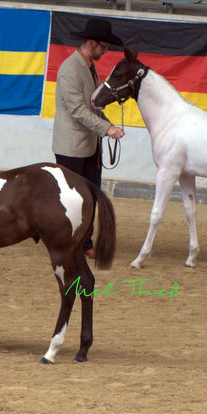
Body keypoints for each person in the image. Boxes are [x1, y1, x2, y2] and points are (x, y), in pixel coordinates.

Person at [52, 18, 125, 259]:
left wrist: (106, 124)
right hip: (71, 146)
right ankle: (67, 241)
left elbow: (91, 106)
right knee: (72, 198)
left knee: (90, 195)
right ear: (92, 43)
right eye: (104, 47)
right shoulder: (70, 69)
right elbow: (78, 110)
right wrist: (107, 129)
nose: (106, 51)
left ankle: (84, 242)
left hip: (88, 145)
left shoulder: (87, 66)